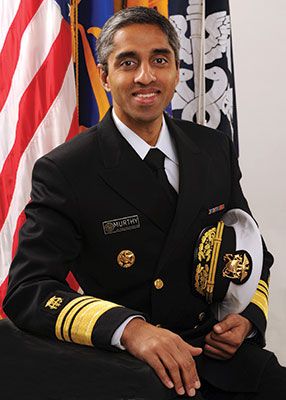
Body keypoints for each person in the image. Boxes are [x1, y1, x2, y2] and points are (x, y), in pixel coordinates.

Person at [3, 6, 286, 399]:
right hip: (133, 367)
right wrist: (131, 330)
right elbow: (27, 290)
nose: (145, 76)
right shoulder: (68, 170)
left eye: (159, 59)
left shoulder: (212, 148)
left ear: (175, 69)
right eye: (127, 62)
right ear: (104, 76)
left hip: (218, 355)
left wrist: (247, 319)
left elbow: (250, 249)